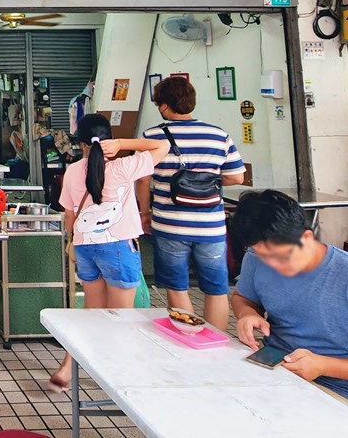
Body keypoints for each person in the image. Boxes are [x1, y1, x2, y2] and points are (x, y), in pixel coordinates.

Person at [49, 114, 170, 391]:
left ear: (80, 143)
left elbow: (69, 213)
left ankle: (68, 368)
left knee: (91, 311)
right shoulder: (123, 167)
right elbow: (162, 146)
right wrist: (123, 143)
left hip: (85, 247)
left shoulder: (72, 171)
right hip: (117, 248)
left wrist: (72, 243)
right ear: (108, 140)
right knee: (120, 316)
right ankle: (119, 377)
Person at [136, 76, 246, 331]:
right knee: (216, 288)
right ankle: (215, 340)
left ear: (164, 105)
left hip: (170, 224)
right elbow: (236, 176)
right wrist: (206, 180)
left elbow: (143, 179)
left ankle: (187, 337)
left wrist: (144, 213)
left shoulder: (153, 136)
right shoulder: (218, 135)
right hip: (211, 226)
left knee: (177, 285)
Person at [232, 190, 348, 400]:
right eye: (265, 257)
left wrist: (323, 365)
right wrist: (247, 314)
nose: (273, 265)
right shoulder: (256, 256)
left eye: (282, 256)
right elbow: (243, 298)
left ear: (306, 238)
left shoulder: (343, 273)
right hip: (271, 368)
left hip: (335, 390)